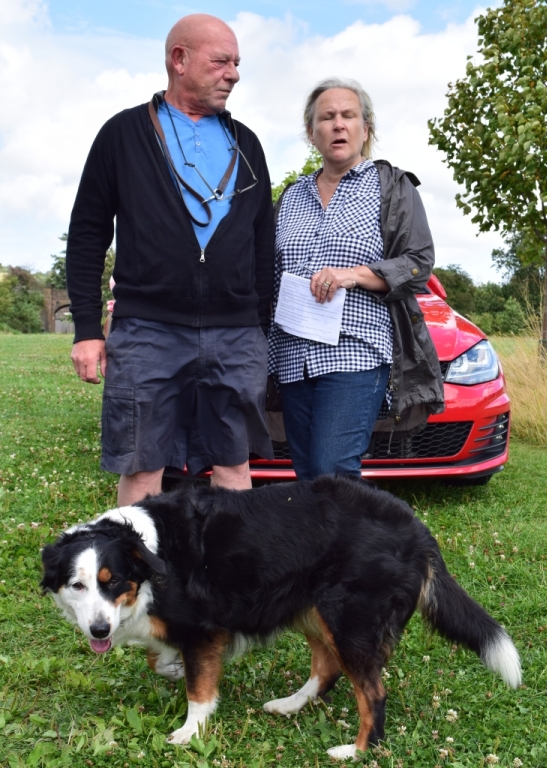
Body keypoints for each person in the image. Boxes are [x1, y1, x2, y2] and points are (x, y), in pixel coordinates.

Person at [66, 14, 274, 504]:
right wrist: (86, 330)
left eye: (237, 63)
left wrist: (257, 326)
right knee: (141, 469)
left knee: (234, 465)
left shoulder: (248, 145)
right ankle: (139, 580)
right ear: (179, 60)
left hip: (235, 333)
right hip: (148, 331)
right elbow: (88, 233)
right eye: (221, 61)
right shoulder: (122, 134)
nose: (234, 74)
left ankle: (228, 578)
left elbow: (263, 243)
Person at [268, 78, 444, 480]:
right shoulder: (290, 197)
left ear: (366, 129)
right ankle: (325, 545)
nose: (338, 125)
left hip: (356, 349)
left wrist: (355, 275)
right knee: (308, 473)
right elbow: (270, 275)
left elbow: (419, 261)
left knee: (332, 469)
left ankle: (377, 541)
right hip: (293, 357)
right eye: (326, 118)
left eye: (349, 116)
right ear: (311, 133)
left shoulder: (391, 187)